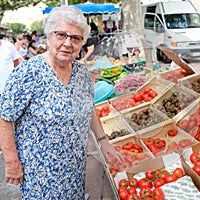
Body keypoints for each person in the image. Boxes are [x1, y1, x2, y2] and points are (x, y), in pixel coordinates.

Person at [0, 5, 122, 199]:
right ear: (48, 36)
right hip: (40, 175)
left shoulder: (82, 73)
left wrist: (103, 141)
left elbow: (89, 108)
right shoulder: (28, 73)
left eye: (75, 38)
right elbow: (5, 118)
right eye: (61, 35)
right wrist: (11, 161)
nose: (68, 43)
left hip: (75, 169)